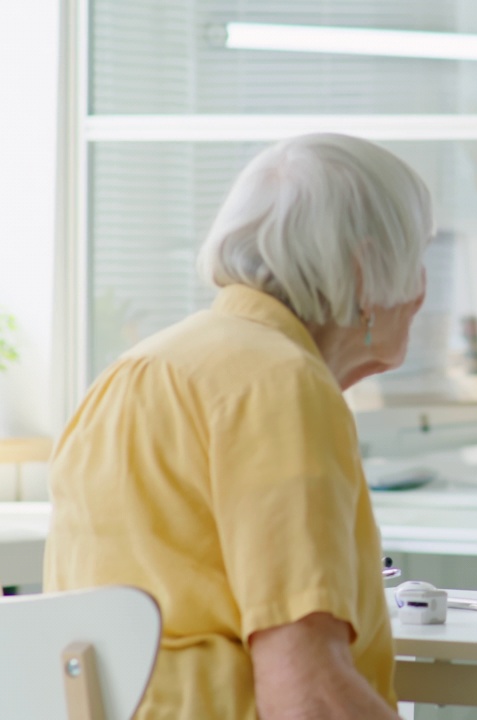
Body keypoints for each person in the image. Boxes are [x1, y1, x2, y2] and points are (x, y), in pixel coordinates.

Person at [43, 133, 432, 717]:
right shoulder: (280, 384)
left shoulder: (137, 369)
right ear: (365, 268)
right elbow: (308, 695)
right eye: (416, 257)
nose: (423, 290)